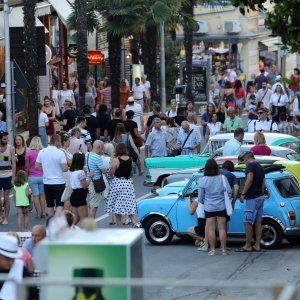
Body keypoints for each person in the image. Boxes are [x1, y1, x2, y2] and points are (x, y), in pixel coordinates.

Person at [198, 159, 231, 256]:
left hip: (209, 207)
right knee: (222, 229)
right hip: (221, 206)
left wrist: (203, 201)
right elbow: (229, 191)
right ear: (217, 168)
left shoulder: (203, 180)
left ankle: (212, 250)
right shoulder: (223, 178)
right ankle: (224, 250)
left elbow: (200, 197)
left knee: (211, 229)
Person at [236, 151, 265, 252]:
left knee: (247, 222)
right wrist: (261, 193)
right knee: (258, 222)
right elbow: (263, 182)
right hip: (260, 197)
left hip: (252, 198)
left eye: (244, 161)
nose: (245, 162)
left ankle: (248, 245)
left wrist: (243, 194)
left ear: (247, 158)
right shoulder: (260, 167)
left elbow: (249, 180)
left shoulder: (250, 166)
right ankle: (257, 245)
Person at [35, 134, 68, 216]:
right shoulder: (60, 152)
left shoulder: (42, 151)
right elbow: (65, 168)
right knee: (60, 204)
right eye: (60, 141)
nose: (60, 143)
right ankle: (55, 221)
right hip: (59, 182)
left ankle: (50, 223)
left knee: (50, 205)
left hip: (47, 182)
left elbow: (36, 166)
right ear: (56, 141)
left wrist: (45, 169)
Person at [105, 143, 136, 227]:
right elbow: (130, 173)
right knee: (127, 203)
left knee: (116, 206)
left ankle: (119, 226)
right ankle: (133, 220)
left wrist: (109, 170)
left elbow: (111, 173)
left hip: (118, 183)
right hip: (128, 183)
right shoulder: (130, 159)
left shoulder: (116, 160)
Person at [0, 235, 38, 300]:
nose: (11, 262)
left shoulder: (22, 270)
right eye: (7, 258)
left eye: (13, 259)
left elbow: (33, 295)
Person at [85, 140, 107, 219]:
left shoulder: (87, 154)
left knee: (89, 205)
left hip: (87, 182)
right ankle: (91, 228)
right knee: (93, 207)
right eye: (102, 148)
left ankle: (88, 226)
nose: (102, 150)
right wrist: (107, 168)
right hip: (95, 184)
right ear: (99, 147)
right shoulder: (97, 157)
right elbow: (103, 171)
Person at [25, 136, 45, 219]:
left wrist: (26, 178)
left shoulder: (29, 153)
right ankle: (43, 212)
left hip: (32, 176)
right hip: (42, 176)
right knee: (42, 195)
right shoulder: (43, 152)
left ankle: (38, 213)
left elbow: (26, 167)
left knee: (35, 196)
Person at [70, 153, 93, 224]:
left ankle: (68, 231)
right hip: (80, 196)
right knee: (84, 219)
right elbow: (85, 185)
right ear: (81, 161)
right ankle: (84, 234)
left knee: (76, 218)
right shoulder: (81, 172)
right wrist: (90, 177)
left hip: (74, 195)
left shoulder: (72, 171)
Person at [0, 132, 16, 225]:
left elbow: (13, 163)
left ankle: (6, 217)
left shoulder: (11, 148)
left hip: (7, 175)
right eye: (4, 139)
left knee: (6, 197)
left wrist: (13, 177)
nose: (6, 140)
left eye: (7, 139)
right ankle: (1, 215)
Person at [60, 133, 73, 210]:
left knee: (69, 195)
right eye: (68, 141)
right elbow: (69, 163)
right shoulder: (62, 151)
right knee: (67, 196)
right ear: (64, 142)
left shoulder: (66, 150)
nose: (70, 142)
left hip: (69, 174)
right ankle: (65, 212)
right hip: (65, 175)